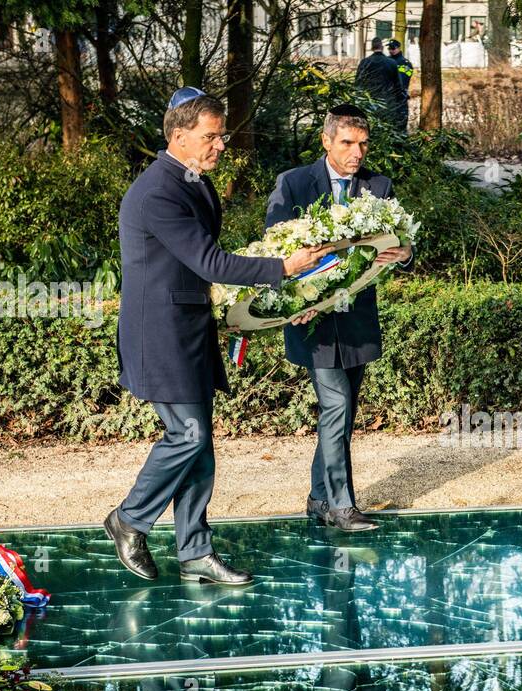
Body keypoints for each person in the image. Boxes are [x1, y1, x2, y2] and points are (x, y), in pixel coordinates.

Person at [105, 87, 329, 585]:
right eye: (211, 136)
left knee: (201, 446)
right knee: (188, 436)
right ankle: (129, 518)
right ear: (179, 137)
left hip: (190, 328)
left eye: (222, 135)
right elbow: (210, 261)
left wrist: (257, 308)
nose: (221, 144)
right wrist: (283, 267)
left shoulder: (192, 182)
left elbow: (196, 266)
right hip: (159, 335)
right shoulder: (159, 191)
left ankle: (194, 553)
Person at [264, 104, 413, 532]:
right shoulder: (292, 184)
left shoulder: (378, 186)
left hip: (358, 320)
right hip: (310, 320)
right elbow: (275, 247)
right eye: (347, 143)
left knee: (342, 414)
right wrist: (288, 300)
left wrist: (404, 253)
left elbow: (402, 243)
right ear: (327, 141)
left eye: (363, 144)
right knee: (336, 405)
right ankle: (342, 505)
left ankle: (317, 498)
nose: (357, 152)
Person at [354, 37, 407, 132]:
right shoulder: (392, 63)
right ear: (382, 47)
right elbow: (398, 86)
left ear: (372, 48)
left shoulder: (364, 62)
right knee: (386, 132)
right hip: (388, 103)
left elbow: (357, 84)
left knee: (370, 131)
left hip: (369, 103)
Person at [386, 38, 414, 129]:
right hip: (387, 98)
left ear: (398, 48)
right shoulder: (386, 61)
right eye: (389, 48)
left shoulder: (405, 64)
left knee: (400, 126)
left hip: (400, 99)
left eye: (393, 48)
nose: (391, 50)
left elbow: (403, 80)